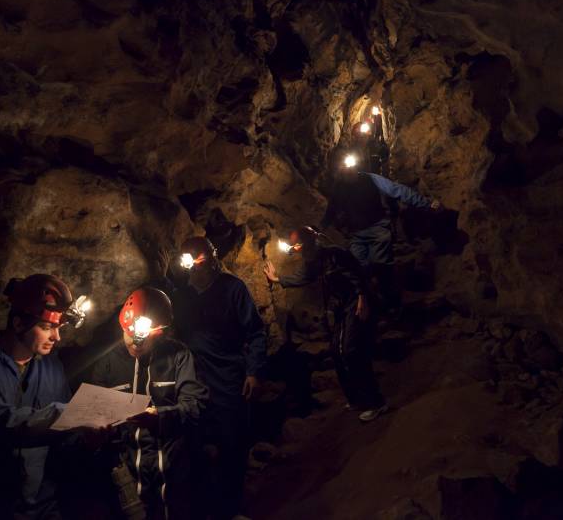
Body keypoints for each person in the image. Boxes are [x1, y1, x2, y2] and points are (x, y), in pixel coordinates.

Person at [0, 274, 92, 519]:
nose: (56, 337)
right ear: (18, 324)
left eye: (58, 328)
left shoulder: (52, 368)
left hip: (43, 506)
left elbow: (65, 440)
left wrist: (90, 438)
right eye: (47, 328)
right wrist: (66, 415)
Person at [90, 286, 208, 520]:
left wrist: (160, 416)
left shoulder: (179, 356)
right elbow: (94, 414)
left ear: (161, 332)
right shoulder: (107, 364)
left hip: (173, 472)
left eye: (143, 341)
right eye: (130, 337)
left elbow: (196, 406)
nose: (135, 344)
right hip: (128, 476)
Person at [170, 236, 267, 520]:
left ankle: (232, 507)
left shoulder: (232, 288)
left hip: (227, 375)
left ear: (212, 259)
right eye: (191, 261)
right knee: (195, 444)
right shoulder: (181, 295)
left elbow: (256, 332)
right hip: (192, 377)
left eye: (202, 259)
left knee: (232, 443)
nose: (198, 267)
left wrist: (253, 371)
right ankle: (205, 508)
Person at [264, 227, 387, 422]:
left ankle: (375, 402)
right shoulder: (313, 261)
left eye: (296, 244)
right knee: (337, 352)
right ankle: (356, 399)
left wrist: (363, 298)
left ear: (307, 242)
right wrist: (278, 279)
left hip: (354, 302)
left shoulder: (334, 253)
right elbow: (304, 276)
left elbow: (358, 272)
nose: (294, 249)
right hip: (340, 306)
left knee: (350, 350)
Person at [322, 165, 441, 314]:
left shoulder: (370, 178)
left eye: (350, 168)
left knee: (382, 266)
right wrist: (319, 229)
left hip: (378, 228)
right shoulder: (339, 189)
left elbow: (396, 190)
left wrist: (425, 203)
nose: (349, 172)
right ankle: (364, 308)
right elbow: (330, 212)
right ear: (340, 173)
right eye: (345, 170)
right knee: (357, 268)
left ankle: (391, 305)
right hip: (356, 234)